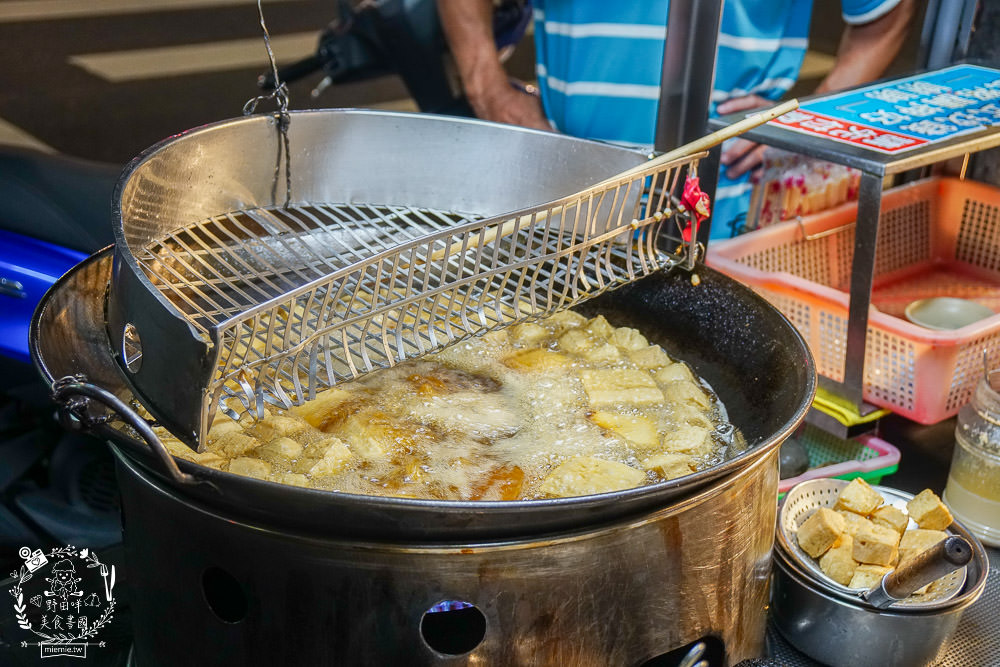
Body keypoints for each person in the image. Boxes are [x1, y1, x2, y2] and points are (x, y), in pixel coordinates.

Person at [437, 0, 915, 238]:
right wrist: (486, 87)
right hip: (567, 191)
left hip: (732, 199)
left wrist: (804, 120)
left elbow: (886, 11)